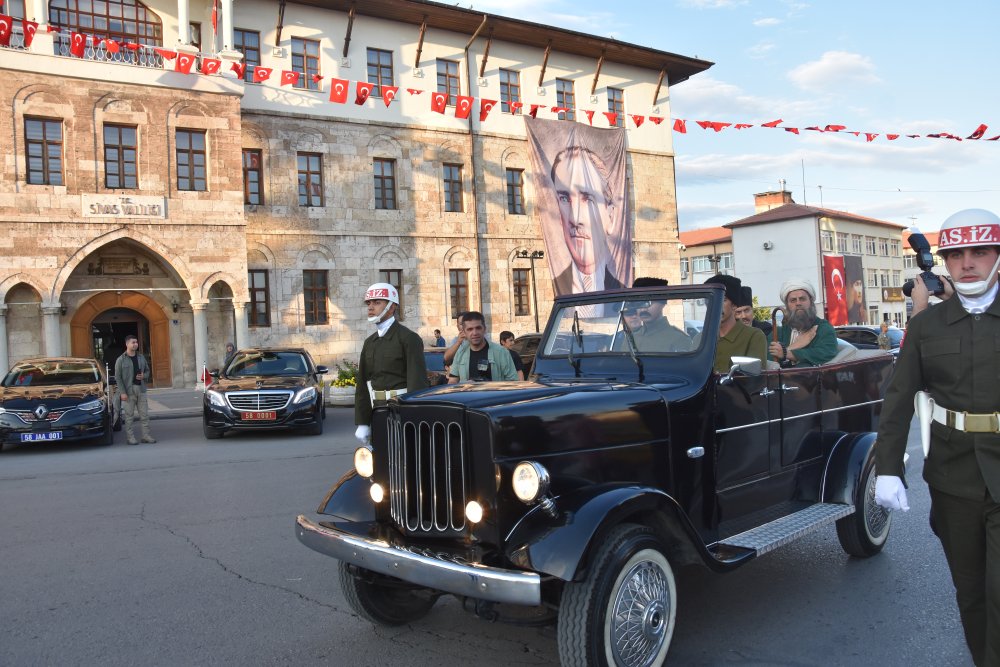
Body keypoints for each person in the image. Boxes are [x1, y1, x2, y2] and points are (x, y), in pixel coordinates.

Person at [874, 208, 1000, 667]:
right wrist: (888, 468)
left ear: (997, 256)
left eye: (979, 252)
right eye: (956, 255)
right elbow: (899, 397)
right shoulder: (927, 325)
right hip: (952, 476)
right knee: (970, 592)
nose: (967, 264)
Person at [354, 283, 428, 445]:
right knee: (379, 457)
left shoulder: (408, 338)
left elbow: (417, 382)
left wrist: (414, 417)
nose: (370, 307)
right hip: (377, 412)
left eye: (377, 302)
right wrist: (363, 422)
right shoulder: (370, 342)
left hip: (401, 411)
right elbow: (363, 384)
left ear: (392, 307)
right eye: (369, 303)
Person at [550, 146, 625, 295]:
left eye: (588, 200)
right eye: (564, 199)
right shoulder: (552, 288)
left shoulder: (623, 293)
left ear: (610, 217)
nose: (575, 218)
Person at [767, 278, 838, 366]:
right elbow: (767, 359)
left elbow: (826, 352)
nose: (798, 303)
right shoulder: (777, 333)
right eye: (793, 300)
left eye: (802, 299)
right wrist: (795, 345)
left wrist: (787, 353)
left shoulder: (823, 328)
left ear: (811, 301)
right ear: (787, 305)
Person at [704, 275, 767, 373]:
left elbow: (754, 378)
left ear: (734, 305)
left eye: (722, 300)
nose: (715, 305)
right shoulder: (701, 339)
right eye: (710, 300)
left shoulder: (754, 336)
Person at [448, 312, 518, 382]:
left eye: (478, 328)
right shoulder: (460, 353)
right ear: (464, 332)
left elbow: (513, 382)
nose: (475, 333)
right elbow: (452, 381)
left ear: (484, 329)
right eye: (470, 329)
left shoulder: (501, 352)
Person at [629, 277, 691, 352]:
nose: (643, 309)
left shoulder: (679, 339)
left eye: (649, 303)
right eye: (639, 303)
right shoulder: (631, 338)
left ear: (662, 303)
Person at [114, 334, 155, 445]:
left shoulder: (141, 357)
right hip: (128, 391)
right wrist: (122, 392)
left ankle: (146, 436)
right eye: (133, 342)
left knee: (144, 415)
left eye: (136, 342)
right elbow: (118, 377)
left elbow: (147, 371)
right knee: (129, 416)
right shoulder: (121, 360)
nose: (135, 344)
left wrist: (144, 376)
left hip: (141, 389)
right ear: (127, 344)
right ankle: (130, 438)